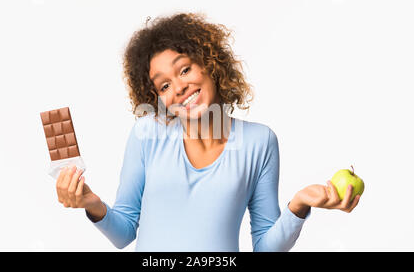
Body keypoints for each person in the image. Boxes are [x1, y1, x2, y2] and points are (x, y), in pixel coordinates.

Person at [54, 13, 360, 251]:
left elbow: (266, 247)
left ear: (211, 63)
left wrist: (298, 206)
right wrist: (92, 203)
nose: (179, 88)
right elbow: (123, 234)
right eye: (164, 85)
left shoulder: (260, 142)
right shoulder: (147, 135)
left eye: (184, 69)